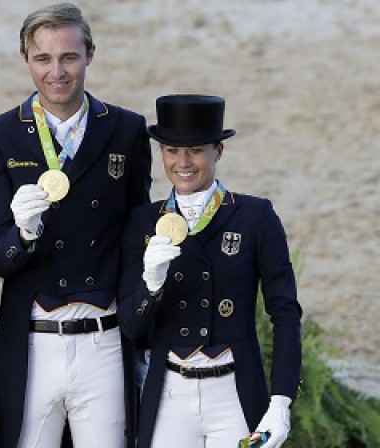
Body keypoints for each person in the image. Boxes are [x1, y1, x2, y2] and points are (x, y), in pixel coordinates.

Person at [0, 3, 152, 447]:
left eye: (68, 57)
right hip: (34, 338)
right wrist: (23, 234)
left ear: (90, 53)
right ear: (26, 60)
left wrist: (143, 332)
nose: (57, 71)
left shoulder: (127, 129)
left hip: (104, 335)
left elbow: (137, 236)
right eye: (43, 59)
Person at [118, 94, 302, 447]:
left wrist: (281, 400)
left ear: (218, 151)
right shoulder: (142, 221)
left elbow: (285, 312)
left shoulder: (255, 216)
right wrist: (150, 285)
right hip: (169, 394)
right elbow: (130, 324)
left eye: (196, 150)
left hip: (233, 391)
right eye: (172, 151)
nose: (183, 162)